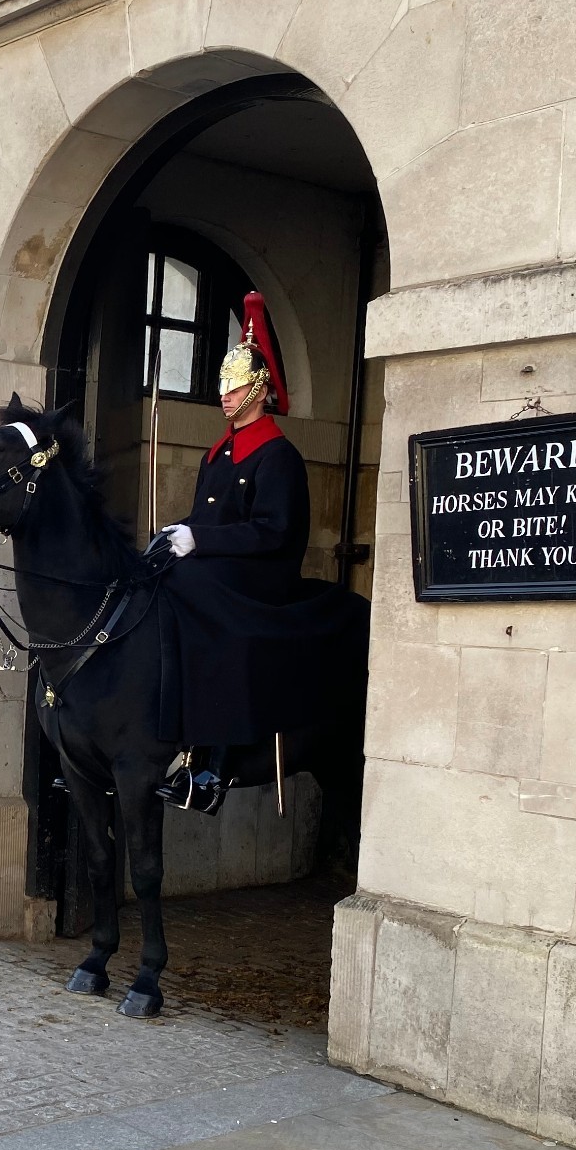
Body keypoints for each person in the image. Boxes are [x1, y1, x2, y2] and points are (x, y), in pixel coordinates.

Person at [149, 290, 359, 814]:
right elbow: (206, 518)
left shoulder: (276, 454)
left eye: (234, 384)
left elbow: (274, 530)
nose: (224, 393)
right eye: (222, 384)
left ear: (259, 389)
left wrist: (203, 541)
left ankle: (213, 766)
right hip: (218, 567)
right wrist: (178, 534)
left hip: (260, 574)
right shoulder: (218, 452)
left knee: (211, 609)